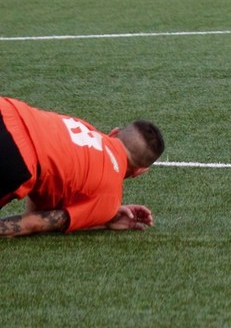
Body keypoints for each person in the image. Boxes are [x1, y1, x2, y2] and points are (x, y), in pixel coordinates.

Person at [0, 96, 165, 237]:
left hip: (9, 109)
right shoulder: (109, 198)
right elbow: (35, 223)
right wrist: (103, 214)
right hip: (15, 157)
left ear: (114, 133)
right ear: (139, 171)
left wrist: (99, 217)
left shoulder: (84, 127)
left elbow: (44, 156)